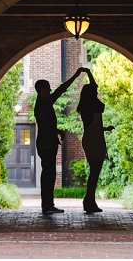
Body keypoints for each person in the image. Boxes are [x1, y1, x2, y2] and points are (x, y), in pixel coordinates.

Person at [34, 67, 88, 214]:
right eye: (48, 88)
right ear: (42, 90)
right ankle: (47, 206)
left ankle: (48, 204)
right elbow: (45, 127)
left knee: (49, 174)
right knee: (48, 175)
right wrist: (58, 132)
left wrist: (75, 75)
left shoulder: (45, 102)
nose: (51, 89)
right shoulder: (42, 105)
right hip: (46, 145)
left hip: (47, 143)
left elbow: (61, 89)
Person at [77, 76, 115, 214]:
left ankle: (89, 201)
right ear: (91, 93)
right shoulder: (91, 104)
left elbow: (92, 126)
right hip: (94, 139)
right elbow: (94, 86)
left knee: (94, 173)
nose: (97, 92)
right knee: (94, 173)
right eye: (95, 91)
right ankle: (89, 202)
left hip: (93, 137)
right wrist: (88, 73)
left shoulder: (86, 106)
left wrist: (104, 128)